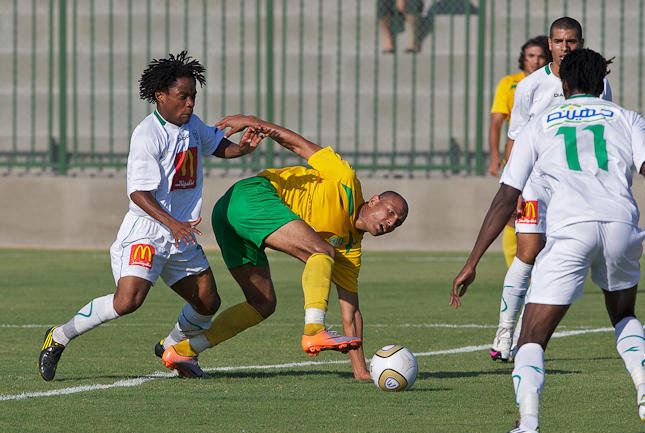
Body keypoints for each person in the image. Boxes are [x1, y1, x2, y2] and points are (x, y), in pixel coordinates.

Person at [450, 48, 645, 433]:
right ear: (601, 83)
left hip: (571, 230)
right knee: (623, 314)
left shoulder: (540, 124)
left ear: (563, 83)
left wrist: (473, 260)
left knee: (532, 337)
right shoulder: (628, 118)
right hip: (621, 225)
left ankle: (528, 426)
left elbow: (507, 195)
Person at [38, 51, 262, 381]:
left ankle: (171, 346)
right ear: (160, 96)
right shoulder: (147, 135)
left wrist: (242, 148)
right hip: (148, 231)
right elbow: (138, 193)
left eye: (193, 97)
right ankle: (59, 337)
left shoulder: (191, 125)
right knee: (128, 301)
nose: (190, 104)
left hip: (180, 234)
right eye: (182, 97)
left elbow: (217, 146)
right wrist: (172, 222)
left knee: (208, 302)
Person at [158, 117, 409, 380]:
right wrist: (254, 122)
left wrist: (360, 371)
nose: (391, 222)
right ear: (374, 200)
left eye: (397, 222)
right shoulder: (344, 179)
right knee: (320, 252)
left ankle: (184, 351)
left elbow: (351, 311)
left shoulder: (351, 249)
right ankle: (314, 330)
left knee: (262, 303)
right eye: (390, 212)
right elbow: (298, 146)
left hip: (230, 218)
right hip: (252, 195)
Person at [489, 17, 613, 362]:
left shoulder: (598, 84)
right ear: (549, 43)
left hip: (574, 186)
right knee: (527, 253)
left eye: (571, 42)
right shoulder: (530, 86)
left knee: (552, 260)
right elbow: (515, 139)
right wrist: (511, 191)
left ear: (581, 42)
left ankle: (527, 335)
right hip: (536, 184)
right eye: (558, 42)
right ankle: (504, 331)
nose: (564, 48)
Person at [488, 35, 551, 268]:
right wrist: (495, 157)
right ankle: (514, 271)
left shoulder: (554, 83)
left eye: (540, 56)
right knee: (514, 213)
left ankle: (541, 270)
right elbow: (496, 122)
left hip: (546, 158)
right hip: (517, 156)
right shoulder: (510, 84)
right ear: (523, 58)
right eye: (530, 56)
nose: (535, 61)